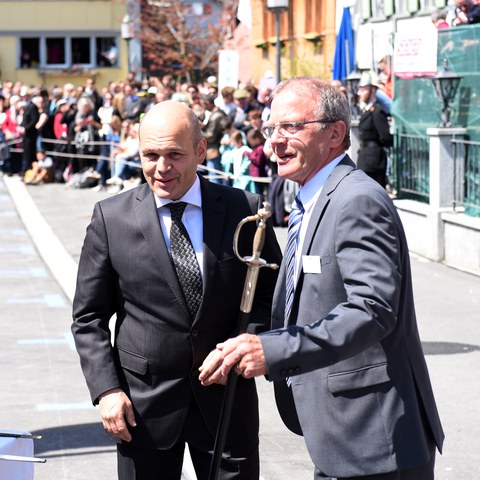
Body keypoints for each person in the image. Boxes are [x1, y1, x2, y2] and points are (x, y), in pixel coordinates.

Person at [199, 77, 444, 480]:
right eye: (271, 128)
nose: (275, 141)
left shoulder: (356, 200)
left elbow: (372, 310)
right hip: (344, 436)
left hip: (374, 440)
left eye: (291, 127)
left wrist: (275, 349)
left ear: (334, 134)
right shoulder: (313, 198)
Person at [71, 100, 282, 480]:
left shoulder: (243, 210)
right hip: (142, 410)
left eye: (174, 154)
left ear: (200, 151)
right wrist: (106, 391)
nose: (161, 168)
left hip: (226, 405)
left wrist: (247, 343)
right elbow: (89, 317)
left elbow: (271, 293)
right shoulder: (111, 217)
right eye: (150, 155)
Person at [356, 71, 393, 188]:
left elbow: (385, 137)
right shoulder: (367, 110)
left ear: (372, 90)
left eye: (363, 89)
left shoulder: (377, 111)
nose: (359, 93)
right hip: (365, 159)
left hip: (374, 163)